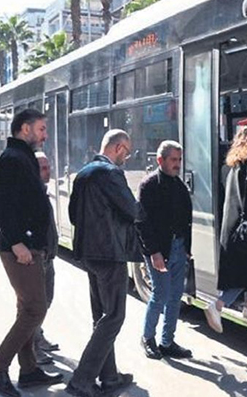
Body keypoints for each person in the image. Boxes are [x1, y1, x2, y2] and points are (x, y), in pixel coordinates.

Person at [0, 109, 63, 397]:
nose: (44, 135)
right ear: (25, 129)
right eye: (41, 129)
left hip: (31, 245)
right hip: (20, 247)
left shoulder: (22, 156)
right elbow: (2, 205)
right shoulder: (11, 159)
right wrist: (18, 242)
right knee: (35, 309)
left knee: (26, 308)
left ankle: (28, 371)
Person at [66, 129, 139, 397]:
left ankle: (109, 378)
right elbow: (132, 210)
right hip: (110, 253)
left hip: (89, 254)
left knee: (101, 317)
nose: (127, 158)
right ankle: (81, 380)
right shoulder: (110, 173)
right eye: (127, 152)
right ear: (118, 148)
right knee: (114, 317)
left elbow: (74, 215)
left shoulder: (83, 173)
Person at [204, 125, 247, 334]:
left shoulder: (231, 164)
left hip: (231, 228)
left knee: (245, 271)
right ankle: (223, 306)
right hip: (246, 228)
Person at [136, 140, 193, 360]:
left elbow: (185, 220)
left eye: (179, 160)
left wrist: (187, 248)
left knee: (175, 296)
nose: (177, 164)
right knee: (160, 294)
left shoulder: (179, 186)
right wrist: (154, 252)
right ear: (160, 160)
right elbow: (142, 222)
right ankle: (148, 338)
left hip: (178, 248)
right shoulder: (149, 185)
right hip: (160, 249)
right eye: (173, 160)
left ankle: (167, 341)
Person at [33, 152, 60, 365]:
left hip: (47, 256)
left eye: (48, 167)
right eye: (43, 168)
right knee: (36, 304)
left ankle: (38, 336)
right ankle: (33, 349)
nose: (48, 171)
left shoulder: (43, 191)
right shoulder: (31, 194)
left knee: (46, 300)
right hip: (37, 256)